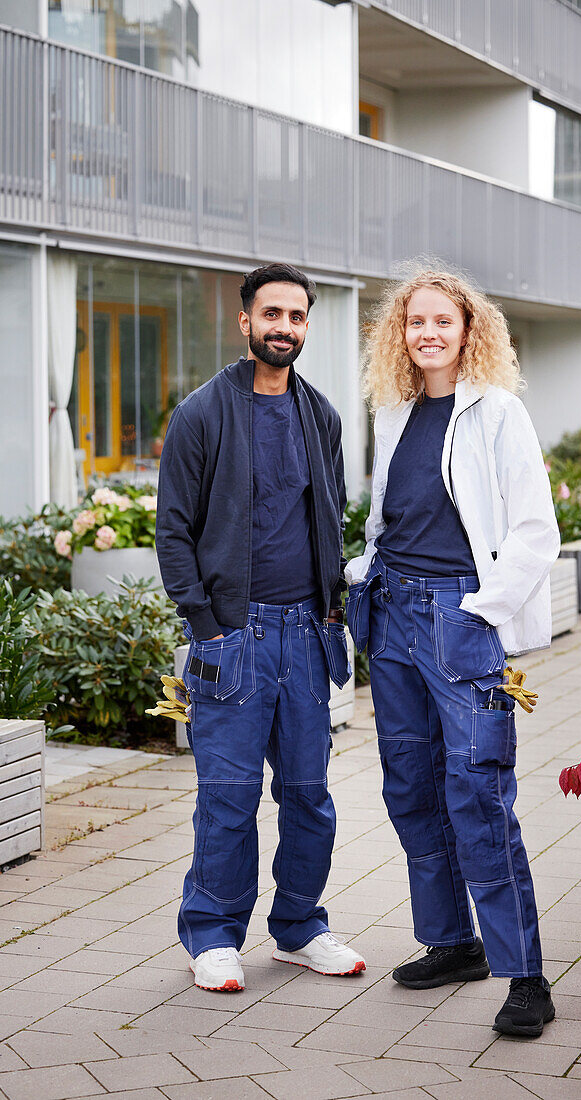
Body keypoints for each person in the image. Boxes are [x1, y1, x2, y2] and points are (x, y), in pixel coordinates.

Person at [346, 270, 559, 1037]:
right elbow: (387, 516)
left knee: (478, 794)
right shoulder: (395, 412)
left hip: (459, 617)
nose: (427, 333)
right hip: (395, 620)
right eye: (414, 322)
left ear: (470, 330)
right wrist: (364, 574)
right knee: (409, 788)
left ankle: (525, 973)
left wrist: (483, 610)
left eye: (443, 320)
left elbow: (536, 530)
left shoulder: (498, 412)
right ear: (398, 336)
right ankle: (453, 942)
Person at [156, 262, 366, 992]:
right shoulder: (203, 414)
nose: (285, 327)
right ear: (245, 321)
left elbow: (329, 519)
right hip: (232, 639)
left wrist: (335, 612)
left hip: (307, 636)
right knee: (229, 794)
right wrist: (207, 626)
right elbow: (173, 532)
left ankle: (300, 929)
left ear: (308, 325)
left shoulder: (322, 417)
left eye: (298, 316)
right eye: (271, 313)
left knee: (309, 793)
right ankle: (212, 934)